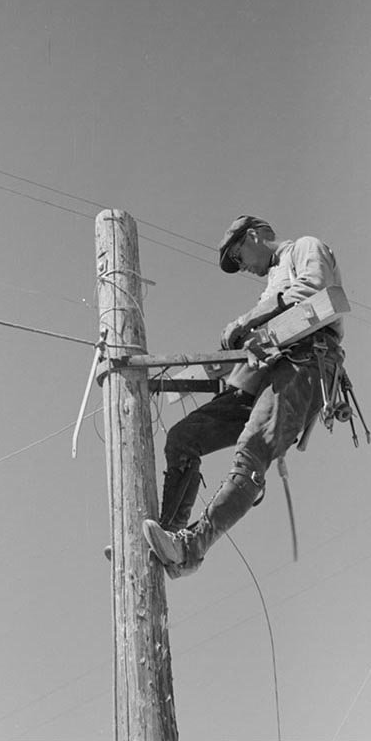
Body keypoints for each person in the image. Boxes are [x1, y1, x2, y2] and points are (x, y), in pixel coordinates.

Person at [143, 215, 346, 579]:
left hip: (306, 363)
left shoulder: (304, 247)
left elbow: (314, 289)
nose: (242, 268)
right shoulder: (272, 282)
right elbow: (263, 335)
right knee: (183, 438)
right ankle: (169, 534)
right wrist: (233, 356)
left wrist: (246, 322)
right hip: (262, 375)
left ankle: (191, 549)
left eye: (239, 257)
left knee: (252, 450)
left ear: (253, 235)